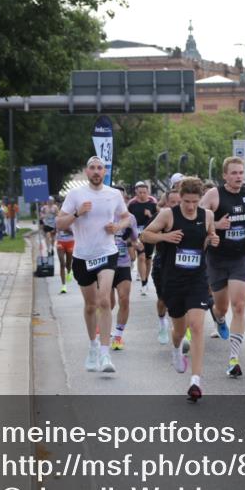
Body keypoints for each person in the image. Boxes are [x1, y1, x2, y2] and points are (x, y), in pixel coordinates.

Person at [141, 177, 220, 402]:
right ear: (180, 197)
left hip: (197, 278)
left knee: (196, 326)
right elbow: (145, 235)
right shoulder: (168, 215)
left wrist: (213, 240)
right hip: (173, 280)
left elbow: (210, 238)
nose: (191, 206)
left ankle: (196, 380)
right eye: (187, 201)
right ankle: (176, 350)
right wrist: (165, 236)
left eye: (195, 202)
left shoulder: (208, 216)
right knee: (179, 330)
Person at [56, 156, 132, 375]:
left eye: (100, 168)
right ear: (86, 172)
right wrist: (77, 213)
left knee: (104, 301)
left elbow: (128, 217)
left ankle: (105, 353)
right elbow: (59, 223)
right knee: (90, 306)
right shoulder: (75, 195)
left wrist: (117, 226)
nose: (97, 171)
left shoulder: (114, 194)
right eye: (92, 168)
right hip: (83, 256)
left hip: (107, 253)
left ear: (105, 171)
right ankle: (92, 346)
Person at [200, 156, 245, 378]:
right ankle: (219, 318)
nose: (238, 177)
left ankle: (234, 359)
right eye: (233, 173)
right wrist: (216, 225)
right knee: (221, 308)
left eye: (241, 172)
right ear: (224, 176)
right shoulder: (213, 195)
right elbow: (196, 220)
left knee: (239, 306)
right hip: (216, 260)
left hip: (241, 258)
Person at [110, 186, 140, 350]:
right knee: (108, 303)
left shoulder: (130, 218)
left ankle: (118, 336)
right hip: (105, 265)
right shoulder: (102, 215)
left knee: (124, 299)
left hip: (122, 264)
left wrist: (136, 245)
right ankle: (103, 327)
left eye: (121, 198)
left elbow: (134, 239)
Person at [150, 189, 181, 345]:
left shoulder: (191, 216)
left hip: (183, 264)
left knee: (183, 300)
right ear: (166, 203)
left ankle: (183, 332)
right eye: (173, 202)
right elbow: (146, 236)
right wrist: (164, 237)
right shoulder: (161, 217)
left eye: (179, 202)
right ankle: (162, 323)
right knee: (163, 299)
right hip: (163, 262)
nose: (176, 205)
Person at [128, 181, 159, 295]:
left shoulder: (153, 205)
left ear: (148, 193)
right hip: (137, 235)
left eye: (144, 192)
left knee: (148, 259)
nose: (142, 194)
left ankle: (146, 278)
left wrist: (150, 215)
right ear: (136, 192)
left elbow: (158, 220)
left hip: (149, 234)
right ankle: (144, 282)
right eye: (140, 192)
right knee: (141, 257)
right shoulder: (132, 205)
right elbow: (128, 219)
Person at [56, 215, 75, 294]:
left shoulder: (72, 219)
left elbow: (76, 232)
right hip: (60, 242)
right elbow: (54, 230)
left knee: (68, 264)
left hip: (70, 243)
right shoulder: (57, 219)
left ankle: (69, 271)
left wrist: (68, 230)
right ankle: (63, 286)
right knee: (62, 264)